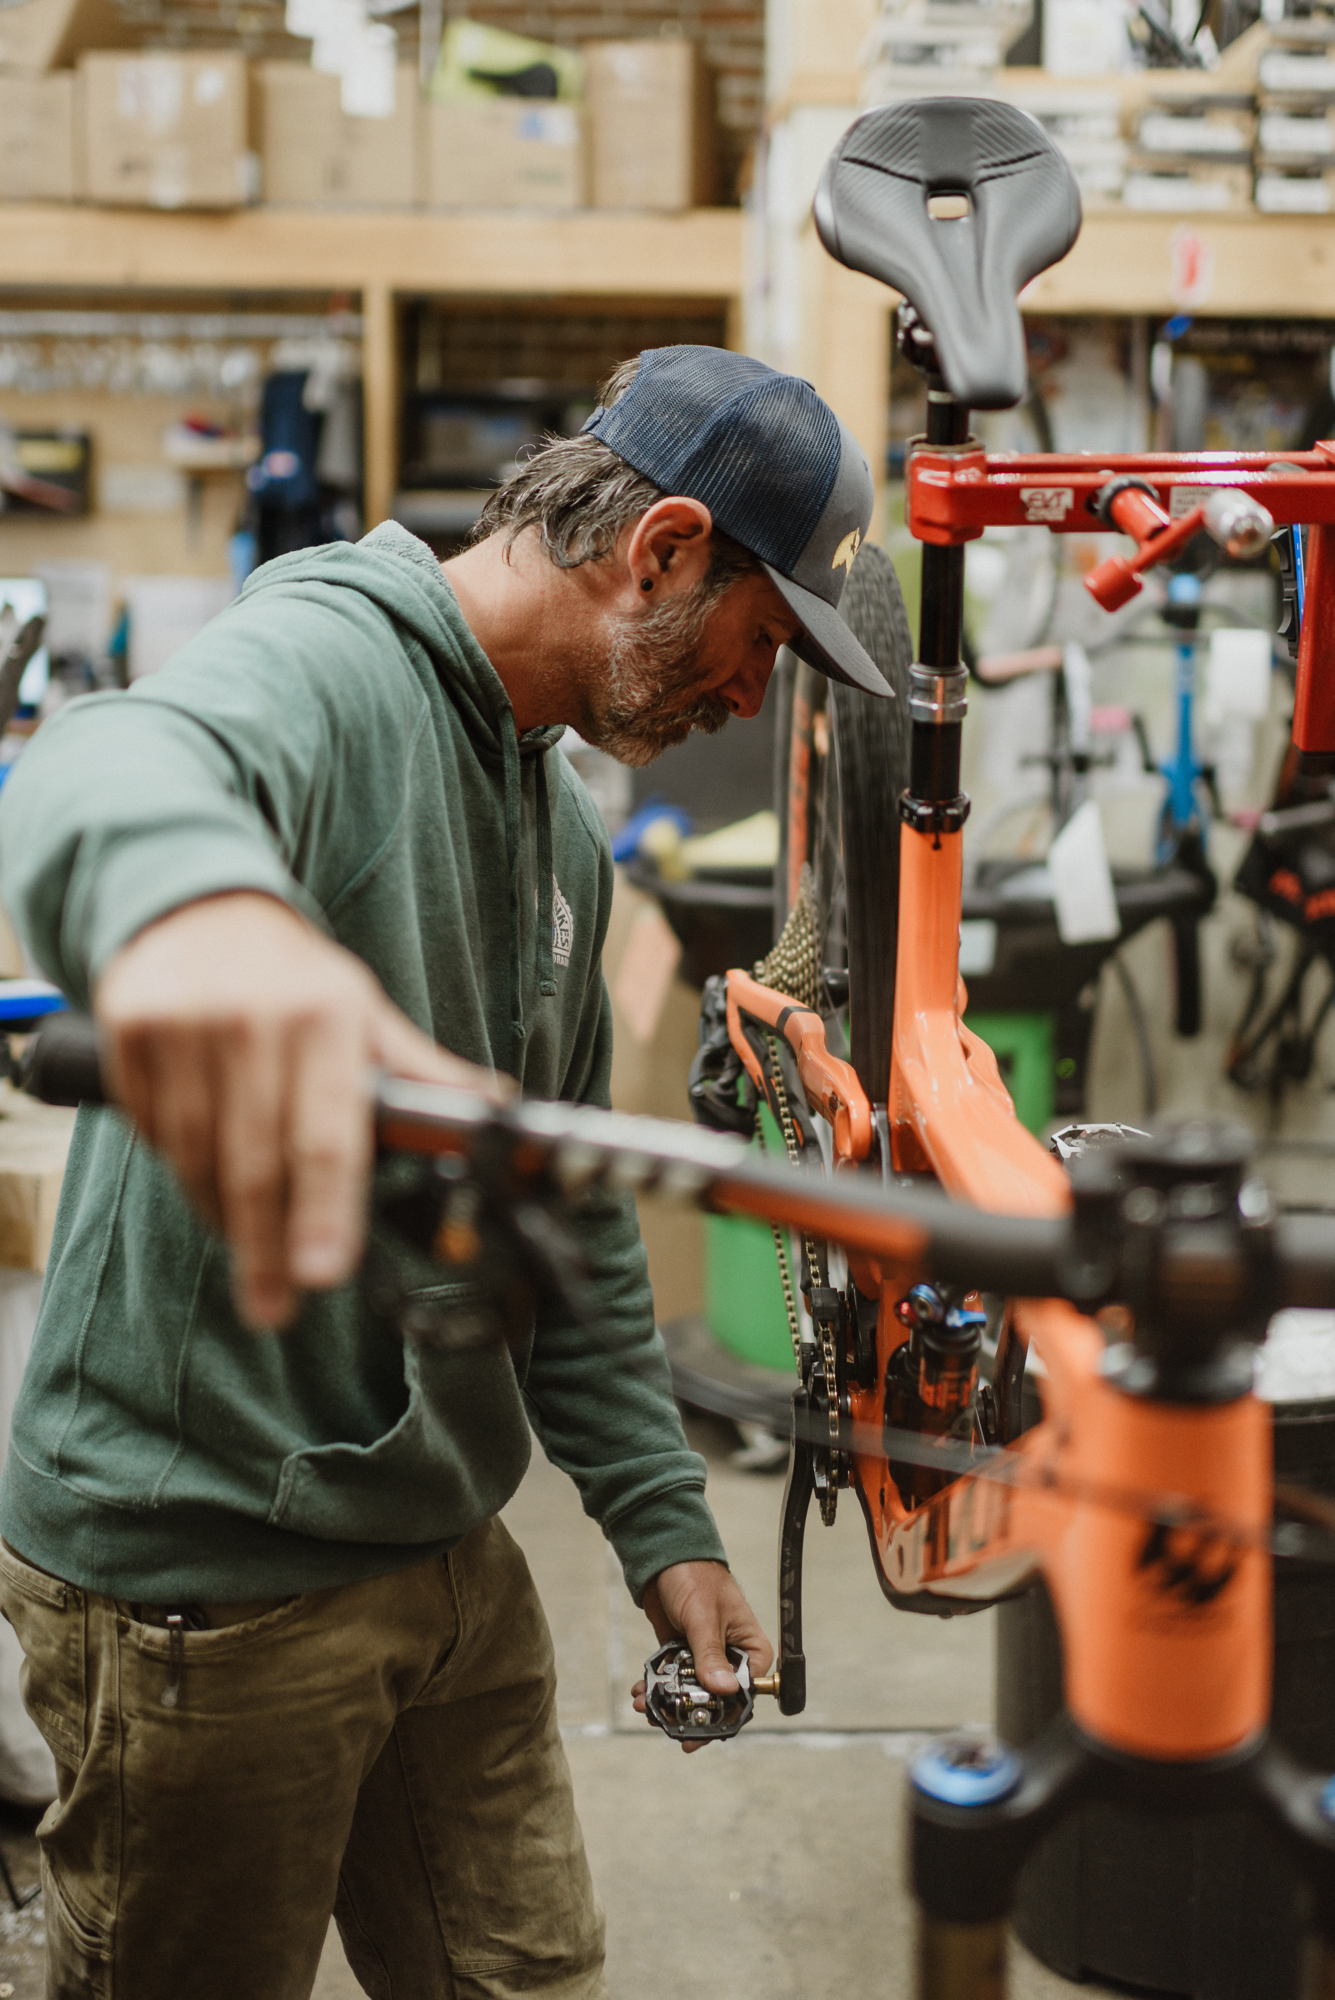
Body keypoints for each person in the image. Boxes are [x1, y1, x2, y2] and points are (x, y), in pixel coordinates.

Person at [0, 346, 887, 1999]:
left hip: (441, 1550)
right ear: (665, 549)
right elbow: (98, 766)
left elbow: (574, 1209)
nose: (752, 701)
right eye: (764, 644)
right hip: (211, 1578)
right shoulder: (333, 656)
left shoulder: (558, 821)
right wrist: (206, 925)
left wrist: (663, 1521)